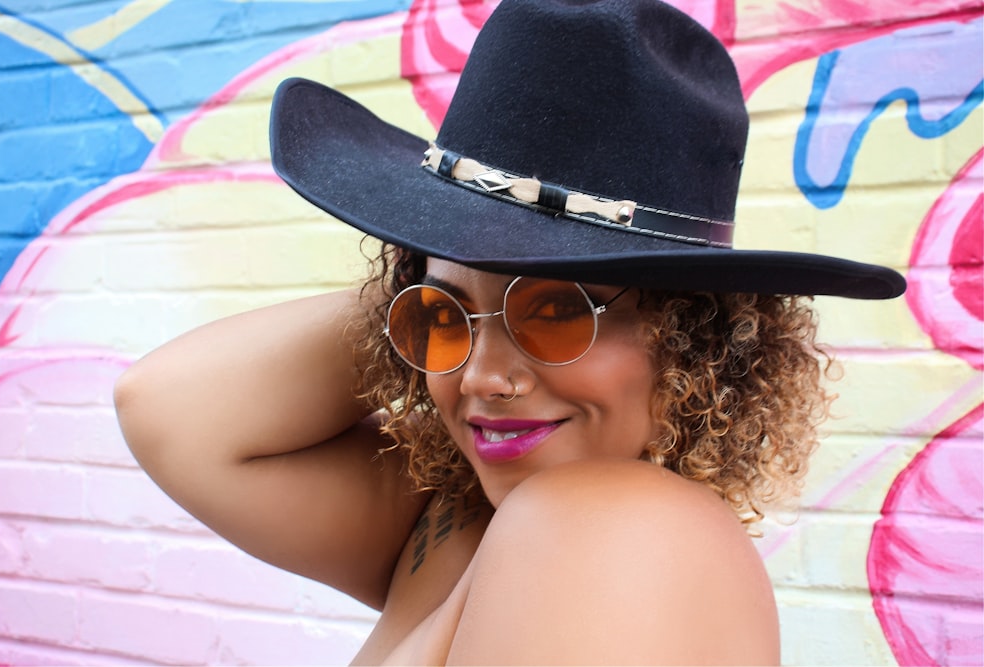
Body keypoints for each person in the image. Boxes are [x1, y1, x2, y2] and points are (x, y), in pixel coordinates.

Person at [114, 0, 906, 663]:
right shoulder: (452, 517)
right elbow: (169, 409)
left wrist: (462, 244)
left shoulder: (620, 523)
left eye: (557, 309)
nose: (483, 375)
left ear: (690, 333)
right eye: (442, 318)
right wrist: (447, 255)